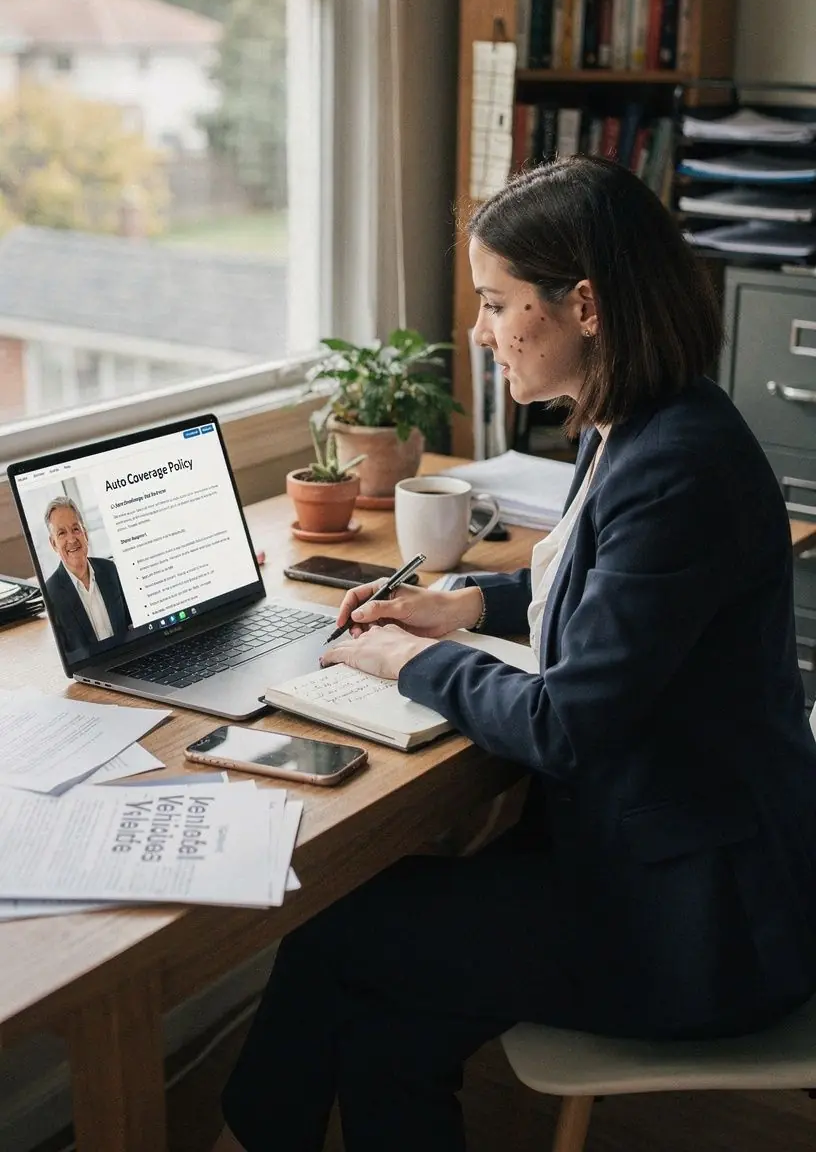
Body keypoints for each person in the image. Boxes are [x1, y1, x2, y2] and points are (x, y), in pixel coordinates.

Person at [214, 156, 816, 1152]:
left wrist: (406, 662)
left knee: (339, 929)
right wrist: (461, 605)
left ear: (581, 303)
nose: (481, 331)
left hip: (704, 924)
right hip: (671, 862)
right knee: (388, 1019)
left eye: (498, 303)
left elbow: (566, 722)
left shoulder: (678, 469)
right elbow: (602, 588)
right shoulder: (640, 423)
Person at [44, 496, 131, 655]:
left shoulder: (111, 570)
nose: (71, 539)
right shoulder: (51, 593)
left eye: (76, 529)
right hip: (92, 671)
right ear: (54, 544)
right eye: (62, 533)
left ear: (85, 533)